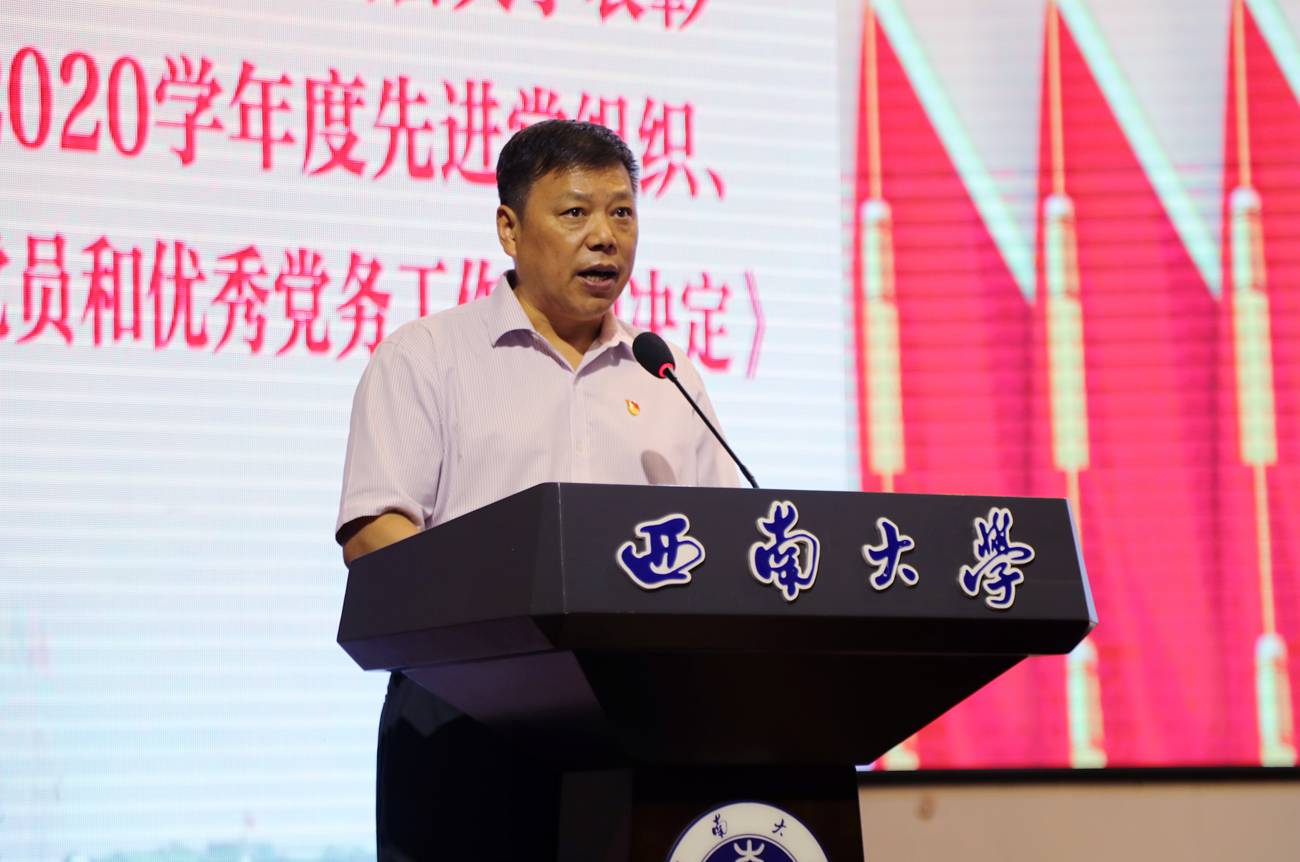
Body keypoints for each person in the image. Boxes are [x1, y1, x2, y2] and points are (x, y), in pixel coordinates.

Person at [334, 120, 739, 861]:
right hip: (463, 715)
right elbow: (374, 533)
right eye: (576, 212)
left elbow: (722, 540)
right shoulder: (428, 357)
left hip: (636, 721)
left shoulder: (664, 373)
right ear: (510, 229)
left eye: (622, 213)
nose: (605, 237)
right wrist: (500, 626)